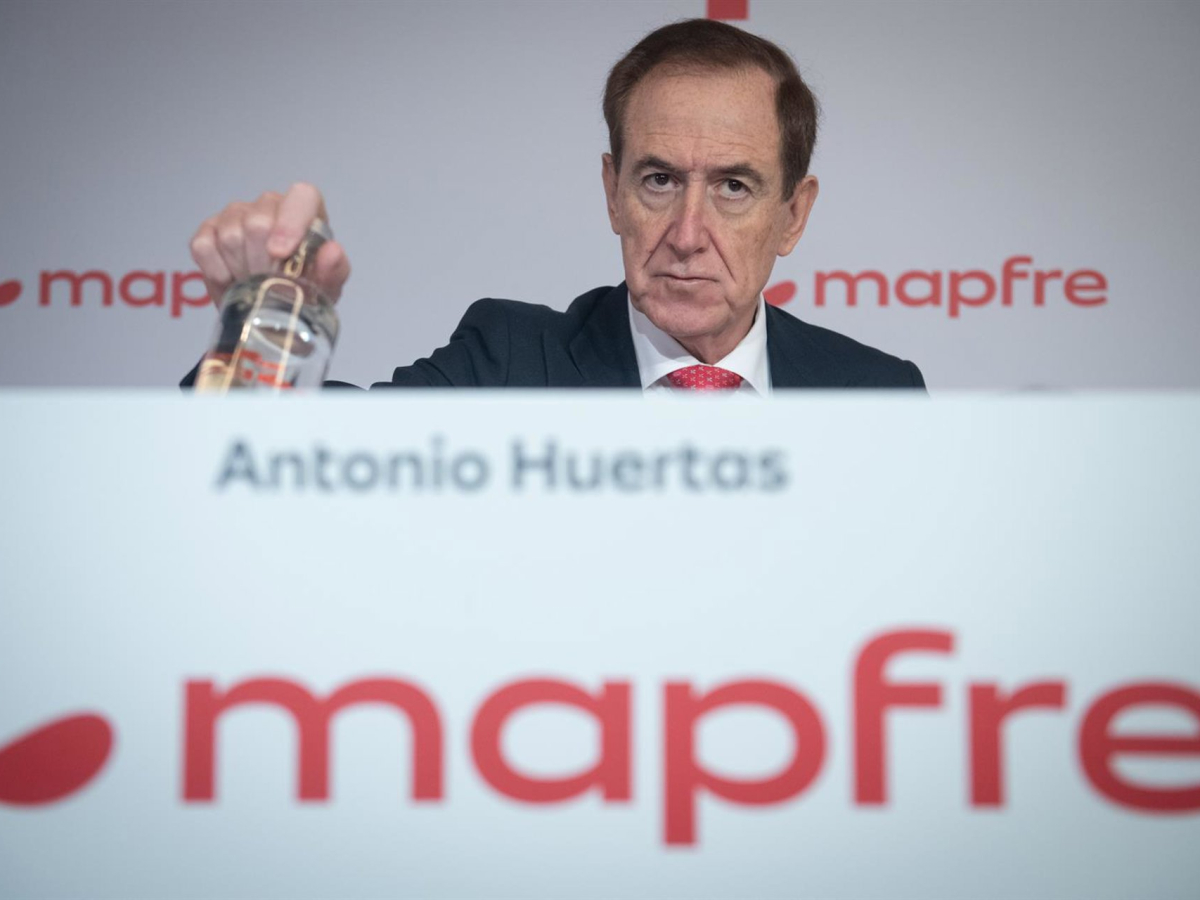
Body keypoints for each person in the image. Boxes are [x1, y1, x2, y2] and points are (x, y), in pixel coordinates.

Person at [185, 19, 924, 393]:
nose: (687, 234)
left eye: (734, 187)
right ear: (613, 193)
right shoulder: (508, 361)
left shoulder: (875, 393)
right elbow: (307, 464)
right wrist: (262, 328)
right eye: (659, 181)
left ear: (793, 216)